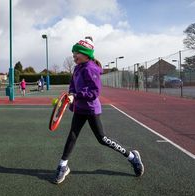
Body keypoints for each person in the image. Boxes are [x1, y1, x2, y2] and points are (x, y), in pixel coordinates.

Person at [53, 37, 144, 184]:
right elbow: (72, 85)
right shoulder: (77, 68)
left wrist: (76, 95)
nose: (74, 56)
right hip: (79, 108)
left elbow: (94, 92)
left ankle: (132, 156)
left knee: (102, 139)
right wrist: (71, 94)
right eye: (73, 53)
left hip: (90, 109)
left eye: (76, 53)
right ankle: (63, 165)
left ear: (85, 54)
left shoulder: (91, 69)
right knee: (72, 135)